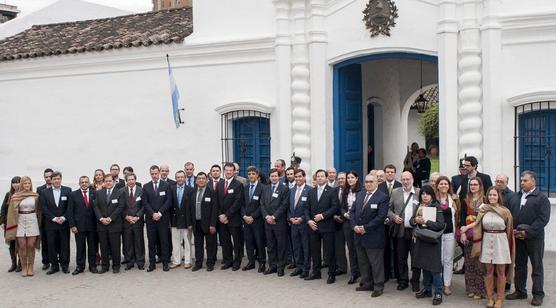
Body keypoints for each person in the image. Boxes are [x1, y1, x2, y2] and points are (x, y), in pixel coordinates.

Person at [461, 187, 515, 308]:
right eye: (490, 195)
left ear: (498, 197)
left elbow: (509, 229)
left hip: (500, 242)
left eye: (494, 195)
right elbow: (477, 223)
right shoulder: (483, 209)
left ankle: (500, 299)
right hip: (487, 242)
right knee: (488, 271)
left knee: (501, 272)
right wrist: (466, 228)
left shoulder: (505, 211)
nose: (492, 197)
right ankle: (490, 298)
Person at [506, 171, 550, 306]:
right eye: (521, 180)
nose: (522, 183)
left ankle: (538, 294)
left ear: (533, 181)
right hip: (517, 237)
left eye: (525, 180)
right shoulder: (515, 196)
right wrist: (512, 230)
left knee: (536, 266)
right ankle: (520, 291)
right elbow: (509, 215)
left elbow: (543, 219)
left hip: (535, 238)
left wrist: (527, 232)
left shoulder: (541, 198)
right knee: (519, 265)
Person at [349, 174, 389, 297]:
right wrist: (354, 226)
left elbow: (381, 217)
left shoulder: (382, 197)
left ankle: (378, 286)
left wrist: (365, 228)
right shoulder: (360, 194)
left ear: (377, 183)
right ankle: (367, 283)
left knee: (376, 263)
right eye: (366, 181)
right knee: (363, 261)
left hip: (373, 236)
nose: (368, 184)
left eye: (371, 181)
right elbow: (352, 212)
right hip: (359, 235)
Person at [411, 185, 446, 305]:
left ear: (432, 195)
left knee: (435, 268)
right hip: (421, 239)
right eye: (423, 194)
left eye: (427, 194)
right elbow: (411, 221)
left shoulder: (437, 207)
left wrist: (426, 221)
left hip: (432, 240)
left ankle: (438, 292)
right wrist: (416, 220)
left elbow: (440, 225)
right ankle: (426, 289)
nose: (425, 196)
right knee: (424, 265)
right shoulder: (418, 206)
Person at [387, 171, 421, 292]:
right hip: (400, 231)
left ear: (412, 179)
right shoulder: (395, 192)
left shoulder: (419, 192)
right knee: (401, 258)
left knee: (416, 258)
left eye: (408, 179)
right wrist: (394, 217)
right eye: (403, 179)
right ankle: (403, 281)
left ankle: (415, 281)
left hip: (415, 232)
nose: (405, 182)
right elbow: (388, 209)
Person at [305, 169, 340, 284]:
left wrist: (323, 216)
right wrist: (309, 220)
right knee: (314, 251)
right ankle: (316, 272)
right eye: (317, 176)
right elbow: (306, 208)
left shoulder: (332, 191)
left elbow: (335, 207)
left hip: (327, 225)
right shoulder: (311, 191)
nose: (319, 178)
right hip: (313, 226)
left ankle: (331, 274)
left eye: (321, 176)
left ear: (326, 178)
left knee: (329, 251)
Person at [4, 176, 41, 277]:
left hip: (32, 221)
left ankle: (30, 266)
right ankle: (24, 266)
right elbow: (11, 212)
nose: (27, 185)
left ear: (31, 184)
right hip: (20, 221)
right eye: (25, 183)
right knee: (22, 245)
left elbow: (39, 210)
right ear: (21, 185)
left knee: (30, 245)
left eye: (29, 183)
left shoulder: (35, 196)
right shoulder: (15, 196)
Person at [460, 177, 486, 299]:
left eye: (476, 184)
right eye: (471, 184)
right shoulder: (465, 200)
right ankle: (471, 288)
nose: (473, 186)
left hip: (481, 234)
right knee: (469, 262)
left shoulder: (485, 200)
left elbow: (484, 219)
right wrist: (463, 233)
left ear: (480, 186)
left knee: (479, 263)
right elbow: (461, 218)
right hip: (468, 234)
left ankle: (480, 290)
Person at [40, 171, 72, 275]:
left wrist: (63, 217)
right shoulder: (45, 192)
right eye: (54, 179)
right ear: (51, 180)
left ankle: (65, 265)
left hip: (64, 223)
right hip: (50, 224)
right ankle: (54, 266)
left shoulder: (68, 190)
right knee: (51, 245)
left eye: (58, 179)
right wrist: (53, 218)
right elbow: (44, 208)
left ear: (61, 179)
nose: (56, 181)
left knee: (64, 245)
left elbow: (70, 207)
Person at [143, 165, 172, 272]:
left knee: (164, 241)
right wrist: (153, 213)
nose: (154, 175)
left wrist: (159, 213)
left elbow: (168, 201)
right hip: (151, 219)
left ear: (159, 173)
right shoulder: (146, 186)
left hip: (163, 219)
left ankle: (165, 263)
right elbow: (145, 203)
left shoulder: (166, 185)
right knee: (151, 242)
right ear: (150, 173)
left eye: (156, 173)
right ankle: (152, 264)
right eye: (152, 173)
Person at [261, 168, 290, 276]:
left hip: (279, 222)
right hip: (267, 222)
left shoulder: (284, 189)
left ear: (279, 177)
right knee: (270, 245)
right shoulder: (266, 188)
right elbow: (262, 204)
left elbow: (284, 205)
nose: (273, 178)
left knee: (281, 245)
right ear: (269, 177)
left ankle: (280, 267)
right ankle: (272, 266)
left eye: (275, 176)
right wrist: (267, 216)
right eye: (272, 176)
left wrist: (273, 217)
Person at [216, 162, 245, 271]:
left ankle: (237, 262)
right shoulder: (220, 184)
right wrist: (220, 215)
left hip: (233, 219)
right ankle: (228, 261)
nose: (228, 172)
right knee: (225, 241)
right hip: (221, 219)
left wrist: (227, 215)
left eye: (230, 170)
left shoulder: (238, 185)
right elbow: (217, 202)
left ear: (234, 171)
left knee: (237, 242)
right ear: (224, 171)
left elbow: (238, 202)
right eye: (226, 170)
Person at [93, 174, 124, 274]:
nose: (108, 183)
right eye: (106, 181)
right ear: (103, 182)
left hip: (114, 225)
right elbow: (95, 206)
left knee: (115, 247)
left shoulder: (120, 192)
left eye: (110, 181)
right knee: (103, 247)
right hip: (102, 225)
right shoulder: (99, 193)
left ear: (114, 181)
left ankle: (116, 266)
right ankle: (105, 266)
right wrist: (101, 218)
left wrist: (110, 218)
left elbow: (120, 207)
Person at [67, 176, 98, 275]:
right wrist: (72, 225)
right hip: (78, 227)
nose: (84, 184)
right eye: (82, 182)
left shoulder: (94, 193)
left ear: (89, 183)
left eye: (86, 182)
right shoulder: (73, 195)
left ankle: (92, 266)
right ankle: (80, 266)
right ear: (79, 183)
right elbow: (70, 211)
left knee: (92, 247)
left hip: (92, 226)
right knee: (80, 247)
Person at [435, 176, 460, 295]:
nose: (444, 186)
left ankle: (447, 285)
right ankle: (438, 283)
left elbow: (457, 216)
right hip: (437, 234)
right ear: (437, 186)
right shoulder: (433, 199)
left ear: (449, 186)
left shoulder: (454, 199)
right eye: (441, 184)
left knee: (448, 260)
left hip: (450, 233)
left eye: (446, 184)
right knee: (438, 259)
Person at [189, 172, 218, 272]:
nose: (201, 180)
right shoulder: (192, 192)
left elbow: (215, 210)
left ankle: (210, 263)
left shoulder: (212, 192)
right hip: (196, 223)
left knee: (210, 245)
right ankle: (198, 263)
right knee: (198, 245)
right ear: (196, 181)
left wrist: (213, 224)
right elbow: (189, 209)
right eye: (199, 179)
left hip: (208, 224)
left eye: (203, 178)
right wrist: (190, 223)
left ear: (206, 180)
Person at [241, 166, 266, 272]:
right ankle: (251, 262)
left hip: (258, 221)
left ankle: (262, 263)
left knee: (259, 242)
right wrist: (244, 216)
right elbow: (241, 204)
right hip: (246, 221)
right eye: (249, 174)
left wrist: (253, 216)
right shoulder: (245, 188)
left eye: (253, 174)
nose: (251, 176)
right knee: (249, 242)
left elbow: (262, 205)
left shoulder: (263, 188)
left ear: (257, 175)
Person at [288, 168, 312, 279]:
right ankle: (298, 266)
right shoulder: (291, 190)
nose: (298, 178)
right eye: (296, 177)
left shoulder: (310, 190)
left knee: (305, 247)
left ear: (304, 177)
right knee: (296, 246)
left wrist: (302, 218)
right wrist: (290, 218)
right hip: (293, 224)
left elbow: (311, 209)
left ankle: (306, 269)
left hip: (304, 224)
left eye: (300, 176)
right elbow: (288, 207)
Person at [340, 171, 361, 284]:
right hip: (347, 222)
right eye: (348, 178)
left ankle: (362, 271)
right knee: (351, 248)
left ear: (357, 178)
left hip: (357, 222)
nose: (350, 179)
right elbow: (342, 207)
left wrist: (353, 215)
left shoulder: (361, 191)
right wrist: (344, 214)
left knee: (359, 248)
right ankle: (354, 273)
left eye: (352, 177)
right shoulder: (345, 191)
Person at [120, 172, 145, 271]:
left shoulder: (141, 190)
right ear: (126, 181)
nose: (131, 181)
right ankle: (129, 262)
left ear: (135, 180)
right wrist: (126, 217)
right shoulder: (121, 191)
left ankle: (140, 262)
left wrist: (137, 216)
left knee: (139, 242)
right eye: (129, 180)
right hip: (126, 221)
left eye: (132, 179)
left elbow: (144, 205)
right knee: (128, 242)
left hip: (138, 221)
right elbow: (120, 206)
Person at [169, 170, 193, 269]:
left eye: (182, 177)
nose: (180, 179)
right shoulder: (171, 189)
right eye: (178, 177)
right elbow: (169, 205)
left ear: (185, 178)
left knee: (187, 242)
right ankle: (176, 261)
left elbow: (191, 208)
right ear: (175, 179)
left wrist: (190, 222)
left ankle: (188, 261)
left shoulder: (190, 189)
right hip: (174, 219)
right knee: (175, 241)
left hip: (186, 220)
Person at [1, 176, 21, 272]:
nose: (15, 184)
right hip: (9, 224)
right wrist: (1, 222)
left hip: (20, 223)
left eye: (17, 182)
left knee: (21, 244)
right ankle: (14, 264)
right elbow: (3, 209)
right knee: (12, 244)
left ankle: (21, 264)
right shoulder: (8, 195)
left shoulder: (23, 195)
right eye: (14, 183)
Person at [36, 168, 53, 271]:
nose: (48, 179)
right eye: (46, 177)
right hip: (44, 220)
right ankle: (46, 261)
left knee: (56, 242)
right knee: (45, 242)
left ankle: (57, 260)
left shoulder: (60, 188)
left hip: (57, 220)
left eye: (50, 177)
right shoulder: (40, 189)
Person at [334, 172, 348, 276]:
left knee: (352, 247)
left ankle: (356, 269)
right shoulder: (334, 191)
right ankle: (341, 267)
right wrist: (334, 216)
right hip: (336, 222)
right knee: (339, 246)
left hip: (348, 221)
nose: (341, 180)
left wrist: (344, 216)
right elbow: (330, 205)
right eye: (339, 179)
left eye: (343, 178)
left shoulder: (350, 190)